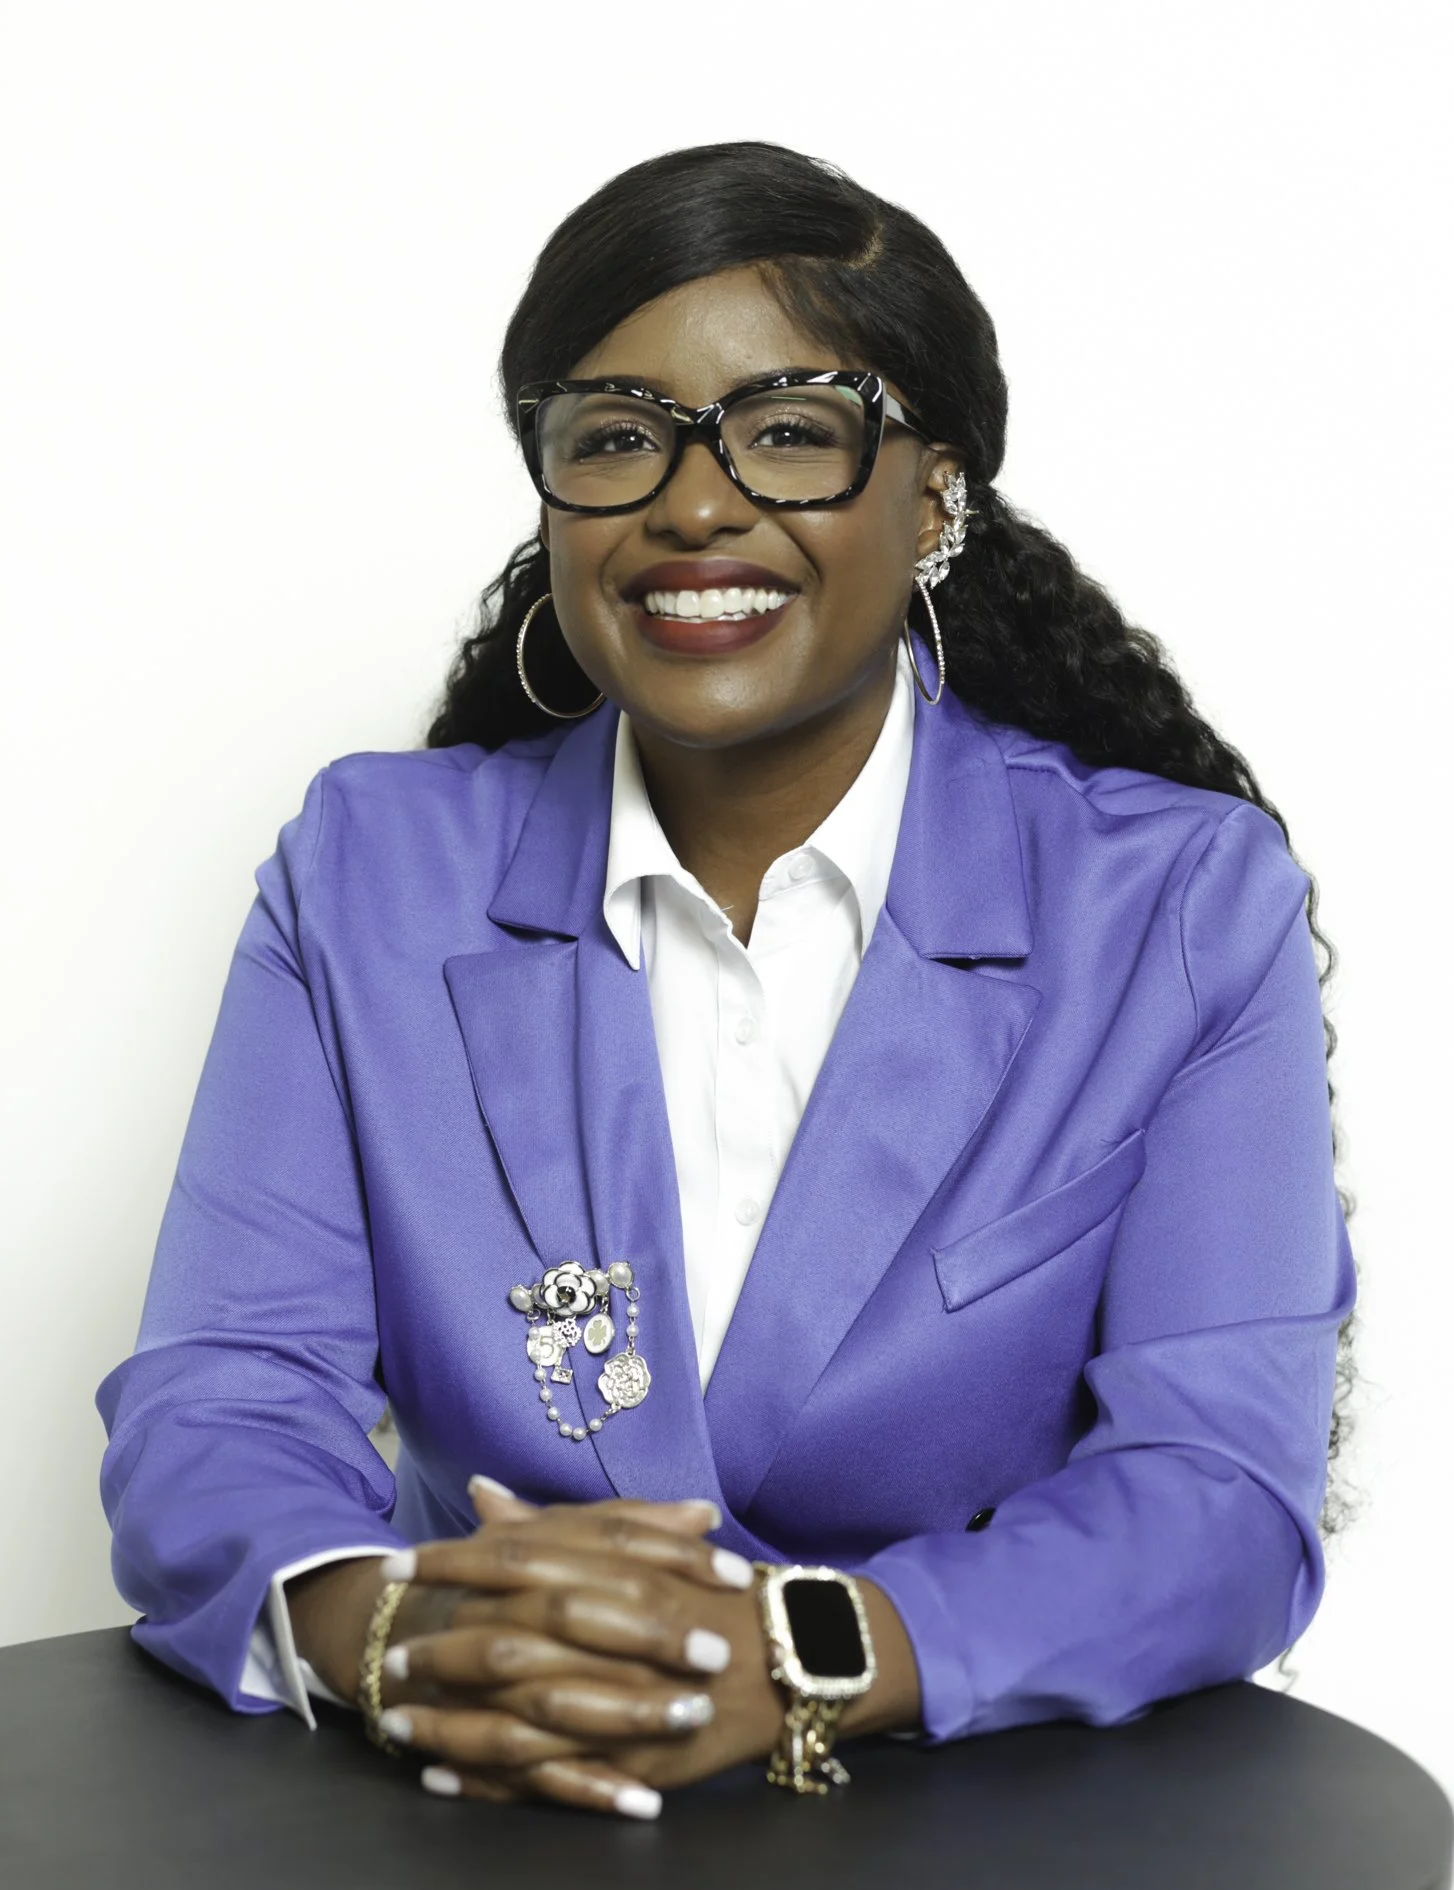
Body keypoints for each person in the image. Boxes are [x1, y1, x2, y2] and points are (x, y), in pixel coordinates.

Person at [96, 140, 1357, 1821]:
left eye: (790, 429)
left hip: (978, 1815)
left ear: (932, 498)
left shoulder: (1179, 901)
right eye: (616, 435)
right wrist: (402, 1630)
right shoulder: (368, 869)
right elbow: (224, 1392)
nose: (692, 504)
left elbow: (1216, 1489)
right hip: (480, 1800)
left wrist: (797, 1650)